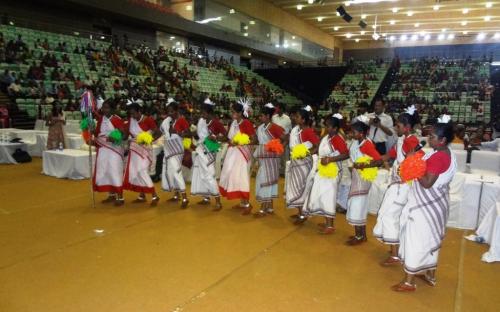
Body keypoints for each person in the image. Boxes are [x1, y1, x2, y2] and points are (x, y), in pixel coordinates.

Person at [393, 115, 457, 292]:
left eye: (433, 137)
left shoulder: (439, 157)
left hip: (426, 206)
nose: (429, 139)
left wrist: (414, 162)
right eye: (429, 136)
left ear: (443, 140)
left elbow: (427, 183)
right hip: (436, 203)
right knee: (429, 240)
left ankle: (409, 282)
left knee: (417, 241)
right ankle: (430, 274)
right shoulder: (444, 153)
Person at [373, 106, 420, 264]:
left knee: (389, 216)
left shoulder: (411, 140)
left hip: (403, 185)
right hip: (396, 184)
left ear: (407, 127)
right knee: (389, 214)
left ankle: (394, 255)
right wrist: (374, 160)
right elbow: (390, 155)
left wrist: (406, 169)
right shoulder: (402, 139)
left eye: (398, 126)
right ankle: (395, 249)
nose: (395, 128)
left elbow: (416, 162)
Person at [302, 113, 349, 234]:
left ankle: (330, 225)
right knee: (323, 195)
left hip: (332, 171)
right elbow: (319, 150)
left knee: (329, 196)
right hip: (323, 169)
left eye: (329, 126)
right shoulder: (327, 137)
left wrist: (330, 159)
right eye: (326, 126)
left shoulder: (338, 138)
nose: (326, 128)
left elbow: (346, 154)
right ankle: (327, 221)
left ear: (335, 128)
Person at [346, 117, 382, 245]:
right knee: (358, 204)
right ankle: (361, 235)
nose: (351, 134)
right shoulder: (356, 142)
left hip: (363, 177)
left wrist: (364, 166)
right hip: (357, 176)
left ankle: (360, 236)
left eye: (353, 132)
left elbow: (379, 161)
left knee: (358, 205)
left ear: (361, 133)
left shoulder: (366, 144)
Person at [219, 98, 256, 215]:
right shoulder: (233, 123)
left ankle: (247, 204)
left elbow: (253, 139)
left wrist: (240, 142)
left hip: (242, 154)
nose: (232, 114)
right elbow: (228, 138)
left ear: (240, 113)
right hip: (232, 153)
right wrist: (220, 138)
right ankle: (242, 202)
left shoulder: (246, 123)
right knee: (233, 176)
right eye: (231, 112)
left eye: (234, 112)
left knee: (241, 177)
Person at [190, 98, 226, 210]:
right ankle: (206, 197)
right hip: (200, 148)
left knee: (209, 174)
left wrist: (214, 137)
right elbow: (198, 136)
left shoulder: (216, 123)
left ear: (209, 113)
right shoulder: (201, 121)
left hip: (209, 150)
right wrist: (191, 134)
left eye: (204, 112)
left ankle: (218, 201)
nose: (202, 114)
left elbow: (225, 136)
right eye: (201, 112)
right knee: (201, 173)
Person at [286, 105, 320, 224]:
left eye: (298, 117)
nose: (295, 118)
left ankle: (302, 214)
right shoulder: (296, 130)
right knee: (296, 187)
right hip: (296, 161)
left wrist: (305, 154)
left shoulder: (308, 131)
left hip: (304, 163)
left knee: (300, 188)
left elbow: (316, 147)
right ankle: (300, 212)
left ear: (304, 120)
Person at [123, 102, 161, 205]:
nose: (133, 116)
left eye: (134, 113)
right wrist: (117, 135)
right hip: (134, 150)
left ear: (140, 111)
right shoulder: (131, 121)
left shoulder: (148, 120)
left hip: (145, 150)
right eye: (131, 114)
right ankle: (142, 195)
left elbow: (158, 133)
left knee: (142, 171)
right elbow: (125, 136)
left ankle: (154, 195)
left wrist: (149, 140)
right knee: (136, 171)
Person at [253, 103, 285, 217]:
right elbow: (256, 140)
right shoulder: (260, 127)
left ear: (267, 116)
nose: (260, 118)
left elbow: (285, 138)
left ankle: (263, 208)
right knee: (267, 181)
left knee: (265, 181)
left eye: (261, 116)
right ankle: (270, 207)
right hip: (263, 157)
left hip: (271, 159)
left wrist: (278, 148)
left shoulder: (274, 127)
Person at [93, 100, 126, 205]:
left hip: (114, 150)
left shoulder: (117, 119)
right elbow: (98, 133)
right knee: (106, 171)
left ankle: (120, 197)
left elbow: (124, 135)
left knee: (114, 171)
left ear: (112, 109)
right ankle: (111, 195)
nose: (104, 110)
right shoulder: (101, 119)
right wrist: (90, 129)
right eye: (103, 107)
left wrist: (116, 138)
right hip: (103, 149)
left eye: (107, 108)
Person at [160, 100, 190, 207]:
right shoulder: (167, 121)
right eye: (168, 112)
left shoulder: (181, 120)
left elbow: (189, 133)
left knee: (177, 172)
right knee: (170, 172)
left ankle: (185, 197)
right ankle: (176, 195)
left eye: (172, 111)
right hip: (168, 148)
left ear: (177, 111)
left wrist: (177, 132)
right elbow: (161, 131)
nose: (170, 114)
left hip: (177, 150)